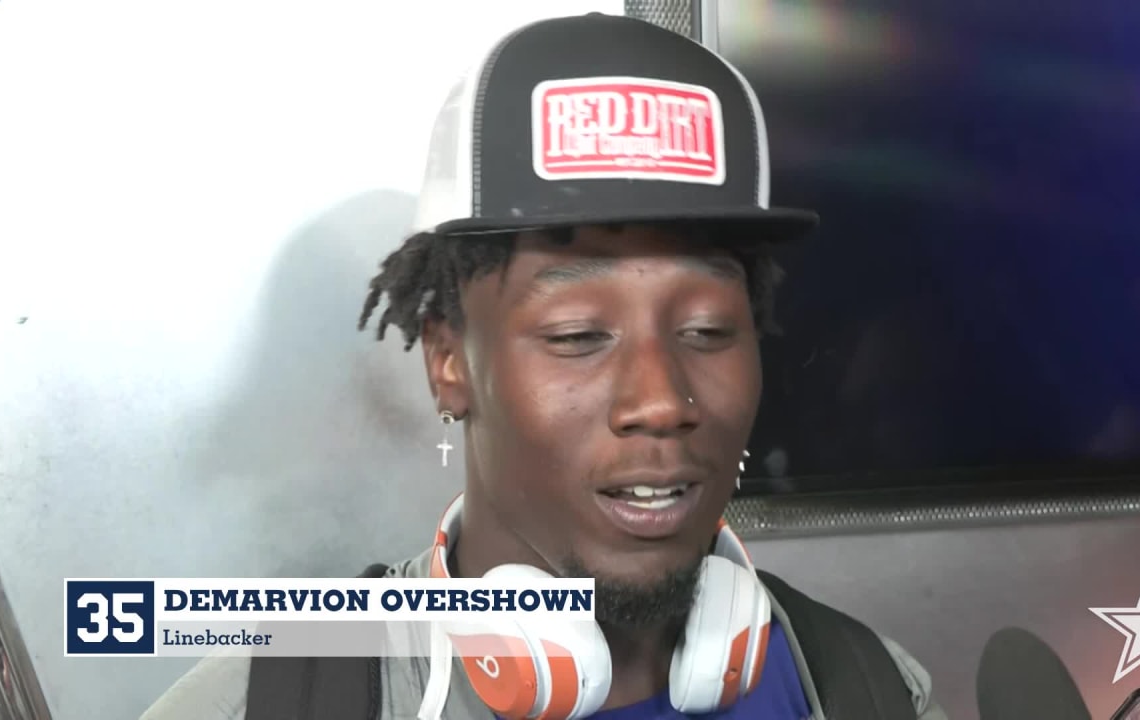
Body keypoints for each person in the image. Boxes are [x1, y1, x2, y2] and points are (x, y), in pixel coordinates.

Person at [142, 12, 948, 720]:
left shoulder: (867, 690)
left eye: (707, 330)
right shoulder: (275, 702)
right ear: (448, 358)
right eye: (575, 335)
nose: (661, 400)